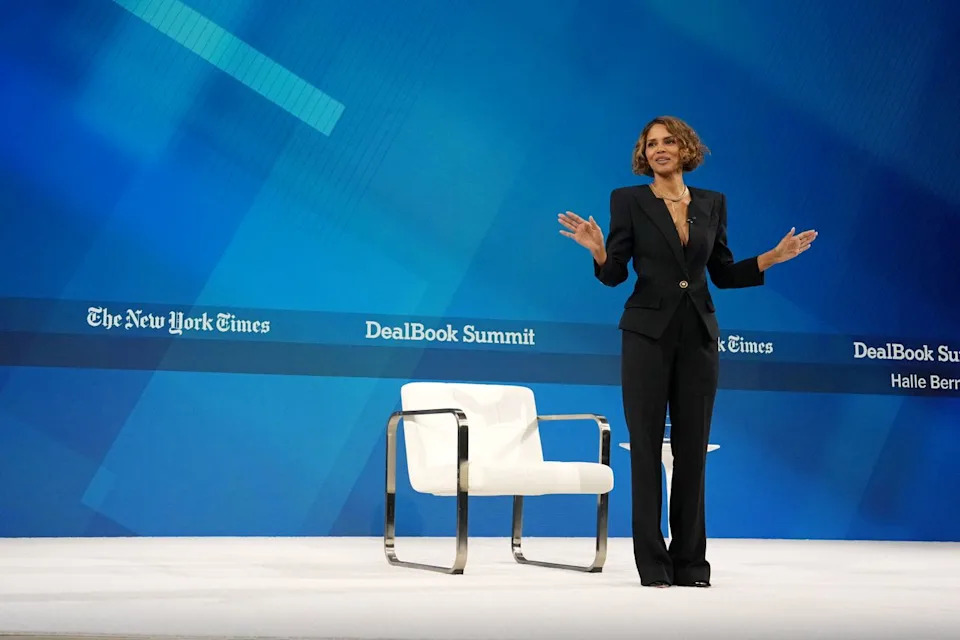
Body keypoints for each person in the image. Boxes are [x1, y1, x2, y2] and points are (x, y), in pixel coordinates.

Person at [558, 116, 817, 588]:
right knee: (644, 451)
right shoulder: (628, 200)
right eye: (651, 143)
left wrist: (771, 259)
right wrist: (597, 251)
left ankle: (691, 564)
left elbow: (721, 271)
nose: (659, 149)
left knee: (693, 451)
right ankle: (653, 563)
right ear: (644, 154)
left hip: (698, 335)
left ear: (684, 148)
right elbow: (615, 273)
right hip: (645, 335)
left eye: (668, 141)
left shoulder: (712, 203)